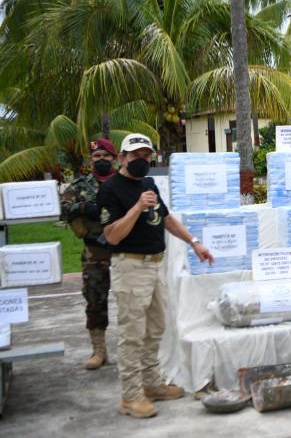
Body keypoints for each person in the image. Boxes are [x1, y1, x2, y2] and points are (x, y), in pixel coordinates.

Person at [98, 133, 214, 418]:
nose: (142, 160)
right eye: (135, 155)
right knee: (132, 335)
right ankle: (131, 396)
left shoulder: (149, 184)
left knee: (156, 328)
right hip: (130, 267)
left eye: (146, 155)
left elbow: (166, 219)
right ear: (122, 157)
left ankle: (151, 384)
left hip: (155, 265)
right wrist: (137, 208)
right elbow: (112, 236)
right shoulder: (110, 189)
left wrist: (194, 242)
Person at [60, 138, 117, 370]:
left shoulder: (124, 181)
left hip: (125, 249)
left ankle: (135, 350)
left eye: (106, 156)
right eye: (97, 156)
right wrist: (83, 207)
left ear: (113, 158)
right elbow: (63, 208)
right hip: (95, 250)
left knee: (133, 301)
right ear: (90, 159)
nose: (101, 160)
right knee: (95, 299)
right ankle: (99, 351)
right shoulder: (80, 185)